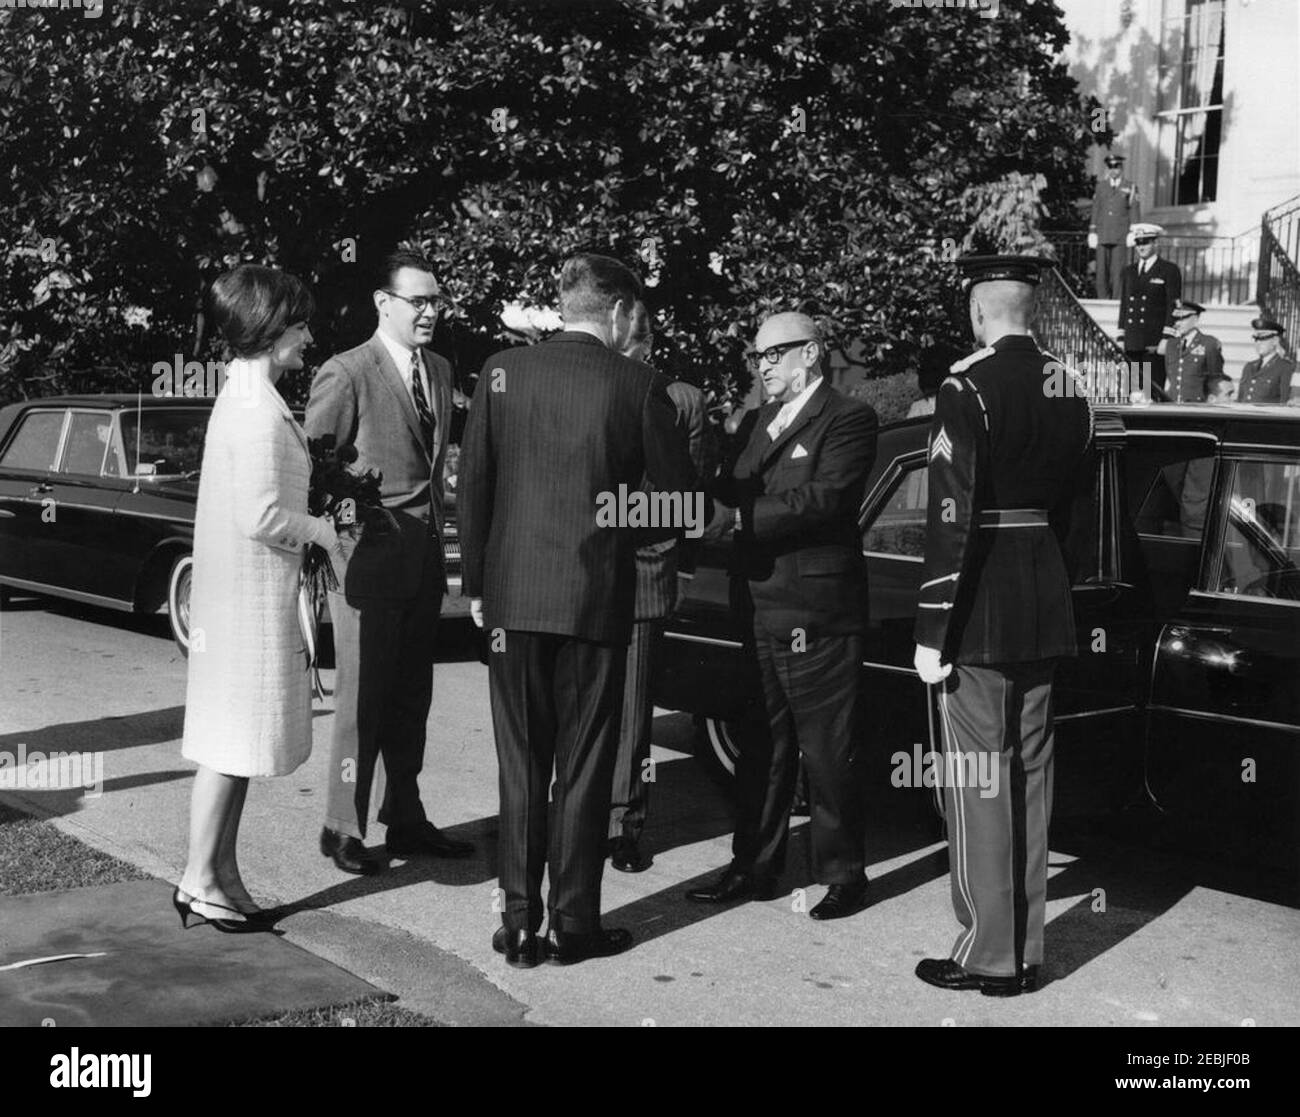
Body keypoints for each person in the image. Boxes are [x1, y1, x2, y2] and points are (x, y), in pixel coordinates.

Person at [459, 253, 696, 968]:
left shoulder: (502, 371)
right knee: (585, 763)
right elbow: (680, 501)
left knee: (520, 762)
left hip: (512, 597)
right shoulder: (639, 382)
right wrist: (617, 530)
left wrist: (477, 583)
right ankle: (574, 924)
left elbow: (474, 484)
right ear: (621, 311)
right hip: (595, 597)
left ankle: (519, 922)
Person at [912, 255, 1092, 997]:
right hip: (1044, 598)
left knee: (980, 778)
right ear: (1034, 312)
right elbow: (1074, 512)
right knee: (1031, 775)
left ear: (980, 313)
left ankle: (989, 954)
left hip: (978, 603)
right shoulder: (1070, 386)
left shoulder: (966, 385)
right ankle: (1027, 949)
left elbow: (951, 515)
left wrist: (930, 628)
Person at [686, 311, 877, 921]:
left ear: (812, 355)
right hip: (758, 607)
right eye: (758, 357)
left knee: (826, 748)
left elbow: (821, 501)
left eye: (775, 354)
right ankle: (754, 865)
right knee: (760, 744)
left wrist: (737, 521)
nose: (763, 366)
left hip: (817, 612)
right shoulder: (757, 421)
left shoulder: (849, 417)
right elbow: (730, 488)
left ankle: (843, 873)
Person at [177, 265, 343, 931]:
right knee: (228, 747)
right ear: (269, 331)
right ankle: (197, 877)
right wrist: (326, 531)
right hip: (243, 605)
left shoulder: (251, 396)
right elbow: (263, 515)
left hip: (241, 600)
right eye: (298, 324)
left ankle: (219, 873)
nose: (307, 336)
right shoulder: (253, 409)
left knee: (235, 748)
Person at [306, 248, 473, 875]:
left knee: (412, 697)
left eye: (436, 300)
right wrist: (351, 537)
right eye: (418, 301)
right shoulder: (345, 373)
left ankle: (405, 817)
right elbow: (316, 473)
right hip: (368, 569)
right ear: (384, 303)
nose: (431, 311)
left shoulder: (440, 368)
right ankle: (340, 826)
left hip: (424, 564)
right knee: (362, 702)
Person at [608, 301, 706, 874]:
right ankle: (581, 816)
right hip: (580, 575)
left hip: (643, 572)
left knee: (631, 709)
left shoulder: (680, 398)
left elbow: (685, 499)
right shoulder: (584, 388)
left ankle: (625, 824)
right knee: (581, 708)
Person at [1119, 222, 1181, 393]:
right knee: (1130, 393)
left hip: (1153, 343)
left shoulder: (1169, 270)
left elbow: (1173, 307)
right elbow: (1125, 306)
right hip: (1132, 342)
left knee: (1150, 394)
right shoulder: (1129, 271)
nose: (1141, 247)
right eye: (1138, 243)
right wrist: (1120, 336)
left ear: (1156, 243)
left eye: (1146, 242)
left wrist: (1166, 337)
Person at [1089, 153, 1140, 299]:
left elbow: (1134, 210)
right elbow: (1096, 209)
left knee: (1118, 272)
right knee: (1101, 272)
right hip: (1103, 233)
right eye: (1110, 167)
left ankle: (1117, 301)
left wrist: (1134, 231)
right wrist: (1092, 231)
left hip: (1120, 235)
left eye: (1116, 166)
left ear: (1121, 168)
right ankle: (1102, 299)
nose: (1113, 170)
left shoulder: (1130, 187)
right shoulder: (1101, 187)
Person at [1165, 300, 1223, 403]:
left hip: (1197, 405)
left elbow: (1215, 376)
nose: (1178, 323)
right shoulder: (1171, 345)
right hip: (1172, 403)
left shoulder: (1208, 343)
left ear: (1195, 319)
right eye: (1176, 320)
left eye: (1183, 319)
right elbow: (1170, 377)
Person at [1238, 316, 1295, 404]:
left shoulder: (1285, 367)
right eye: (1256, 339)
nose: (1258, 343)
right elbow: (1241, 399)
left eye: (1263, 339)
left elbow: (1284, 401)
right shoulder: (1249, 366)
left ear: (1275, 341)